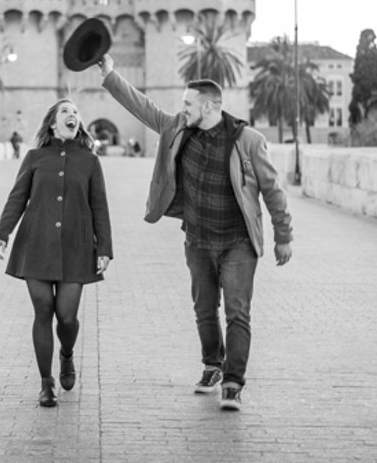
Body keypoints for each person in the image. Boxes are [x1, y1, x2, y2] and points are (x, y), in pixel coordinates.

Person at [97, 54, 293, 412]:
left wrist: (284, 235)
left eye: (188, 104)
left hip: (238, 243)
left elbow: (272, 189)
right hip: (198, 241)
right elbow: (144, 108)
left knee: (237, 312)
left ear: (208, 106)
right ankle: (212, 366)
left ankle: (233, 384)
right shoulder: (178, 130)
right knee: (204, 310)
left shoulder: (247, 140)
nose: (182, 109)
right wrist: (110, 75)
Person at [0, 99, 113, 408]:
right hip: (37, 243)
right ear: (52, 123)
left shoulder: (89, 160)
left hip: (77, 246)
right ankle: (46, 383)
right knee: (43, 310)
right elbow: (17, 197)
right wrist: (2, 233)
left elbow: (100, 206)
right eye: (65, 112)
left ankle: (67, 355)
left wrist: (105, 248)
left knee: (67, 317)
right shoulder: (34, 157)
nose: (72, 115)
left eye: (76, 112)